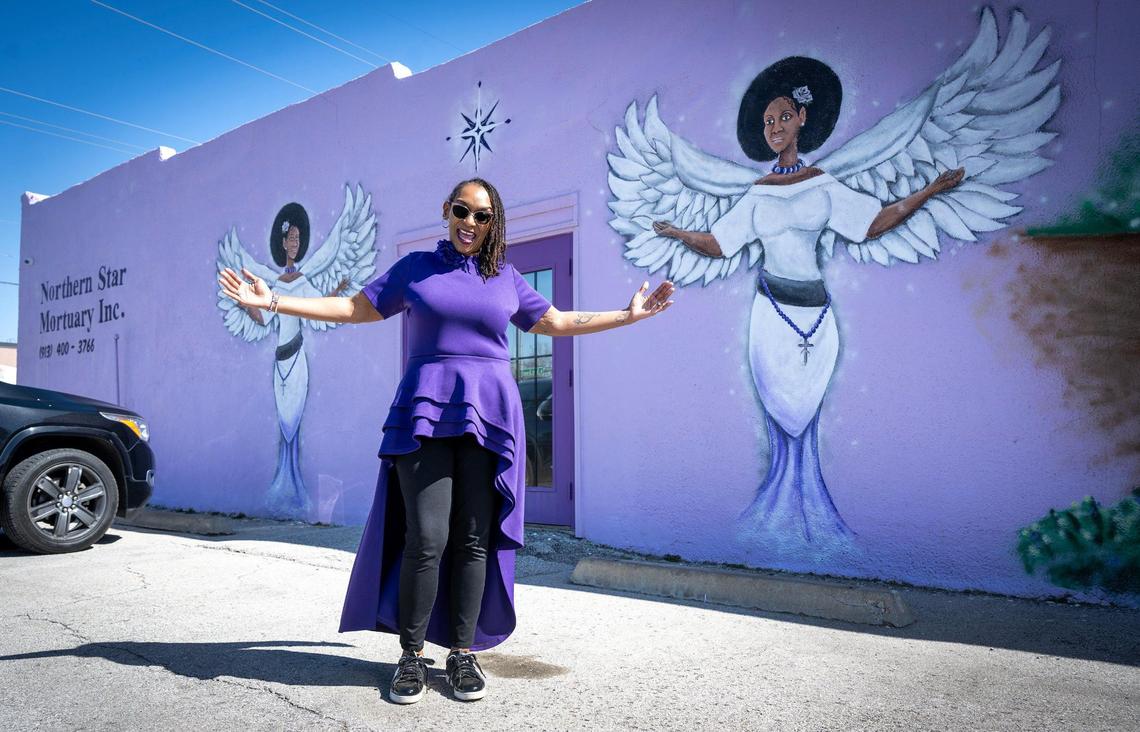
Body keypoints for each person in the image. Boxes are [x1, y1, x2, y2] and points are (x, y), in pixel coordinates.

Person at [219, 177, 675, 704]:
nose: (471, 223)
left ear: (492, 223)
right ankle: (411, 655)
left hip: (490, 418)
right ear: (447, 210)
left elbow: (556, 321)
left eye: (483, 216)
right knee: (427, 537)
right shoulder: (416, 268)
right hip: (425, 414)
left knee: (474, 540)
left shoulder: (506, 278)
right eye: (463, 210)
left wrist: (627, 315)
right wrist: (276, 300)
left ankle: (462, 652)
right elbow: (355, 308)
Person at [652, 57, 963, 551]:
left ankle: (814, 508)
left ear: (801, 118)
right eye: (766, 122)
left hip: (817, 317)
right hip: (770, 314)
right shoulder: (757, 194)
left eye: (783, 117)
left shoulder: (823, 184)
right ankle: (776, 508)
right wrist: (678, 233)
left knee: (809, 411)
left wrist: (930, 190)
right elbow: (719, 243)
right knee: (778, 413)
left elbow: (873, 223)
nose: (775, 127)